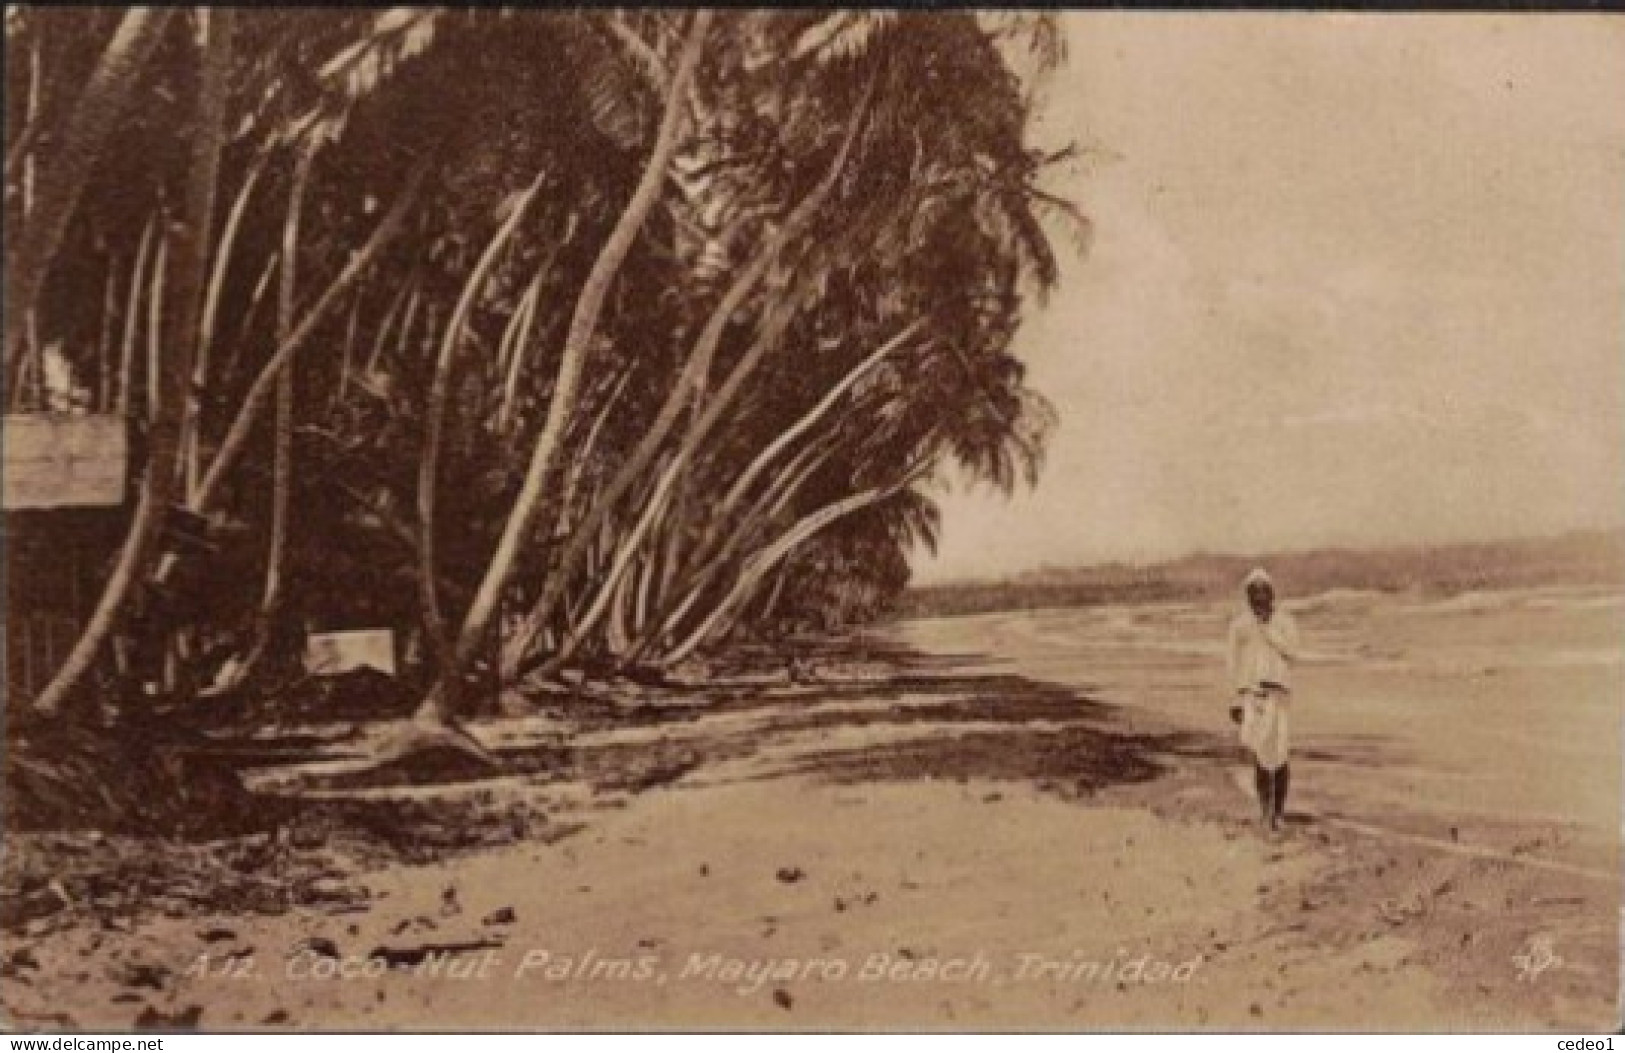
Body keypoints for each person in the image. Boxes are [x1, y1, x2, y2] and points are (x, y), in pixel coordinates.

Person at [1227, 567, 1300, 831]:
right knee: (1259, 754)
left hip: (1279, 694)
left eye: (1263, 592)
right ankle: (1264, 811)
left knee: (1280, 755)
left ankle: (1278, 812)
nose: (1259, 598)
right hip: (1252, 695)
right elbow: (1233, 664)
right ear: (1247, 596)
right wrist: (1235, 699)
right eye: (1253, 593)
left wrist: (1268, 629)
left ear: (1271, 594)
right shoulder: (1239, 626)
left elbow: (1293, 653)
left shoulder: (1285, 622)